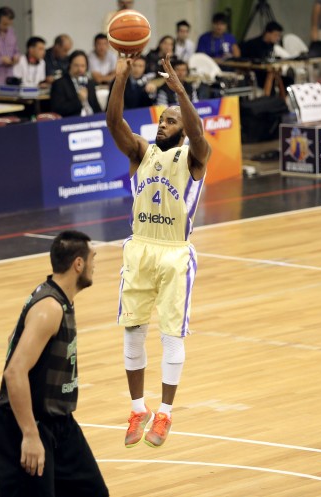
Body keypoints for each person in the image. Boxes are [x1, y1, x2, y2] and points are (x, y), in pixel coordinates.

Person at [107, 53, 211, 448]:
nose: (163, 125)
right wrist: (120, 78)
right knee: (133, 331)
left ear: (183, 129)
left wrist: (180, 91)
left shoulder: (194, 157)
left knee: (170, 335)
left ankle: (165, 413)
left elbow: (199, 134)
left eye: (171, 121)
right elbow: (113, 123)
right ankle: (138, 409)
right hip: (139, 249)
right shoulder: (141, 152)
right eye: (162, 120)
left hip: (174, 253)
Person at [0, 230, 108, 497]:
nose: (94, 264)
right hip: (27, 423)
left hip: (60, 422)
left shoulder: (56, 298)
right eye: (93, 258)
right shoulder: (50, 308)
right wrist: (30, 433)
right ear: (78, 264)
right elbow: (14, 372)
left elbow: (12, 338)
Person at [50, 51, 102, 118]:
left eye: (83, 66)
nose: (80, 69)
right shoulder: (59, 84)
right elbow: (58, 109)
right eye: (76, 65)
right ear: (69, 65)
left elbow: (97, 107)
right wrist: (79, 100)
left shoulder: (90, 83)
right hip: (73, 120)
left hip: (92, 119)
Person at [240, 21, 284, 88]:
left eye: (279, 36)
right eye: (276, 35)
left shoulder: (271, 45)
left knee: (287, 79)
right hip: (256, 74)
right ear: (268, 33)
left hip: (265, 72)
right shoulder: (253, 44)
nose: (278, 38)